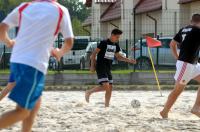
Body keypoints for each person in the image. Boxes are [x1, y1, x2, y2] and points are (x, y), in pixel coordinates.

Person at [0, 0, 74, 131]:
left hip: (16, 60)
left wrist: (9, 42)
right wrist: (59, 52)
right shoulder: (61, 11)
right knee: (22, 111)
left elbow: (2, 28)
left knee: (35, 104)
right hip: (33, 65)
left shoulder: (25, 6)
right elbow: (69, 42)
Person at [160, 14, 200, 118]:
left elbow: (172, 44)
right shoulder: (197, 30)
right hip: (186, 64)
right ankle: (164, 111)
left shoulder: (183, 29)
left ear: (191, 21)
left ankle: (196, 107)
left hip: (191, 63)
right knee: (178, 90)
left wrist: (177, 57)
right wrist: (180, 59)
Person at [85, 29, 136, 107]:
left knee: (109, 88)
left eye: (119, 37)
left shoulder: (116, 45)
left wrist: (129, 60)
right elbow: (93, 54)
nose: (118, 39)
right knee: (106, 86)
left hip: (108, 68)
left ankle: (106, 105)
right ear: (112, 35)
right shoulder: (104, 43)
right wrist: (92, 66)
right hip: (100, 66)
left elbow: (118, 57)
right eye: (117, 37)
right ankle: (90, 93)